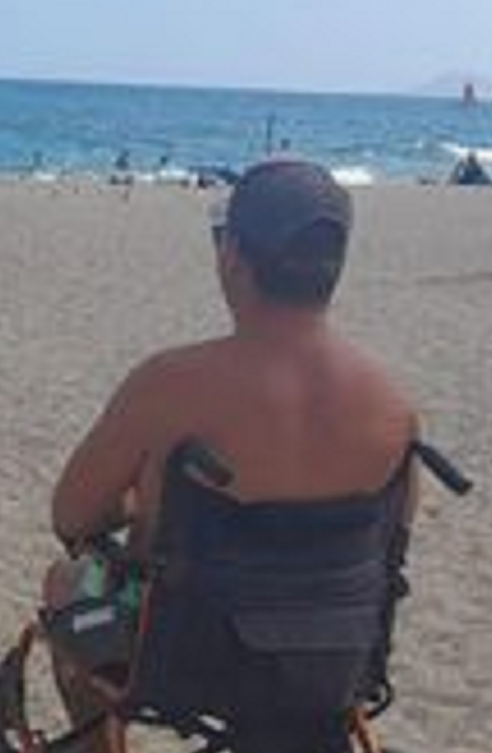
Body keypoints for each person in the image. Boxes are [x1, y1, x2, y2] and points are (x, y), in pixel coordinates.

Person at [47, 161, 416, 664]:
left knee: (66, 581)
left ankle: (94, 749)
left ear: (234, 257)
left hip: (187, 656)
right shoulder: (392, 403)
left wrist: (141, 504)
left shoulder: (168, 385)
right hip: (336, 656)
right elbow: (393, 545)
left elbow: (71, 516)